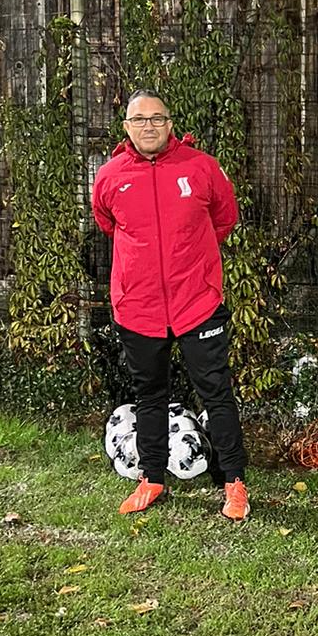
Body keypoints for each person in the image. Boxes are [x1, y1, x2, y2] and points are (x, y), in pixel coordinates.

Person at [92, 89, 251, 522]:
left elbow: (224, 217)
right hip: (138, 306)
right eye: (139, 119)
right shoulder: (110, 176)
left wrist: (191, 259)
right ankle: (152, 478)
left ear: (170, 124)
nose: (149, 126)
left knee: (216, 392)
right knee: (150, 394)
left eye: (157, 118)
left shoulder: (202, 167)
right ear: (126, 127)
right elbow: (108, 223)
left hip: (197, 303)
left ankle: (234, 482)